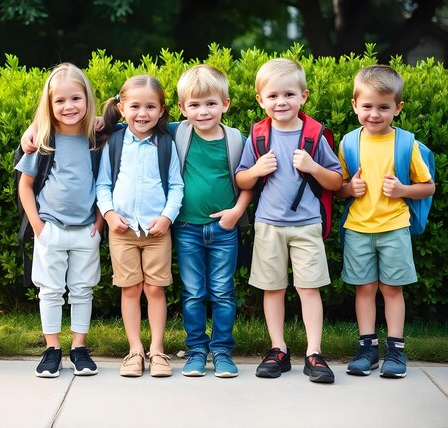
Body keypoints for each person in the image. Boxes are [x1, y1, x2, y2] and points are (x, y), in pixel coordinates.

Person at [235, 58, 342, 384]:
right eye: (273, 96)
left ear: (303, 96)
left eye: (289, 95)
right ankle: (277, 349)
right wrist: (256, 171)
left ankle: (313, 352)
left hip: (307, 224)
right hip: (269, 223)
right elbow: (241, 180)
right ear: (260, 100)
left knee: (309, 288)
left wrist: (312, 166)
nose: (281, 102)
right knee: (273, 288)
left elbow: (336, 182)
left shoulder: (315, 135)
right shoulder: (257, 136)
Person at [336, 65, 434, 379]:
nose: (374, 114)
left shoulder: (406, 144)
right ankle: (367, 349)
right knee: (364, 289)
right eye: (366, 106)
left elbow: (428, 186)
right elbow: (338, 186)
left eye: (383, 107)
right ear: (354, 105)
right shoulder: (349, 142)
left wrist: (404, 189)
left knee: (392, 289)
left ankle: (396, 351)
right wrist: (349, 188)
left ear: (397, 108)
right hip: (358, 229)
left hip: (394, 228)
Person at [15, 63, 104, 378]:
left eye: (76, 99)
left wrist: (99, 223)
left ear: (86, 99)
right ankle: (52, 349)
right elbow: (25, 185)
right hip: (50, 229)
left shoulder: (95, 138)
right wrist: (39, 227)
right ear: (49, 105)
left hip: (86, 231)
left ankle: (79, 348)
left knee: (83, 290)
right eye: (60, 101)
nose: (69, 106)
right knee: (50, 291)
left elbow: (104, 180)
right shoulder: (42, 140)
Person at [96, 75, 184, 377]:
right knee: (130, 289)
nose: (142, 113)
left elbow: (176, 186)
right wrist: (108, 214)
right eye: (135, 106)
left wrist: (167, 217)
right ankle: (134, 350)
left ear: (162, 111)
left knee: (155, 289)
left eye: (150, 107)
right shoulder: (114, 142)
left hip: (157, 232)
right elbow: (103, 183)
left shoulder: (166, 144)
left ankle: (157, 350)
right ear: (122, 108)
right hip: (122, 231)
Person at [172, 65, 252, 378]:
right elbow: (136, 122)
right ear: (182, 108)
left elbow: (248, 182)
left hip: (224, 229)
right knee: (193, 292)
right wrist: (103, 118)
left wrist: (236, 212)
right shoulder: (177, 132)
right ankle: (195, 351)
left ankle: (221, 350)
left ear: (225, 104)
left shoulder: (235, 139)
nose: (203, 111)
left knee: (222, 291)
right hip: (187, 229)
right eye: (194, 105)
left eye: (210, 104)